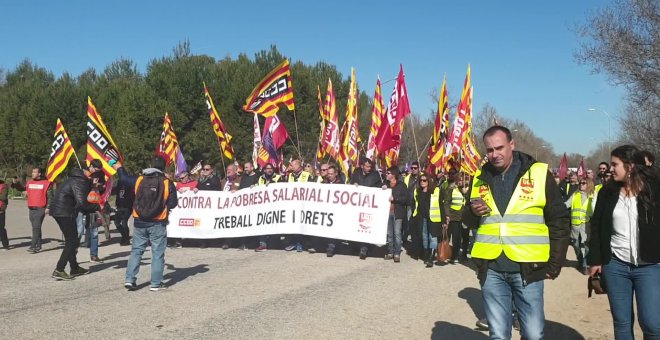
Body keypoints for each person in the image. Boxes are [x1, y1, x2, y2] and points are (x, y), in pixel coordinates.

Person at [463, 126, 570, 339]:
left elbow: (559, 220)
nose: (495, 154)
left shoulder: (538, 173)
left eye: (500, 148)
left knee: (532, 334)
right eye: (490, 150)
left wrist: (555, 263)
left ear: (512, 144)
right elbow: (468, 220)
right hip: (491, 268)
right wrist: (473, 212)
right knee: (498, 335)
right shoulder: (479, 177)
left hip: (528, 268)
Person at [588, 145, 660, 339]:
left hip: (650, 266)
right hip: (615, 265)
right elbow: (595, 226)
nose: (611, 169)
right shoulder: (607, 192)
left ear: (629, 166)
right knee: (622, 323)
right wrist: (595, 259)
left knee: (653, 324)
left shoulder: (653, 189)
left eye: (615, 164)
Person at [114, 156, 177, 291]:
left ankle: (130, 279)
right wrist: (164, 206)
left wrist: (118, 167)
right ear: (163, 168)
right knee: (157, 253)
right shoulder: (167, 183)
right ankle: (156, 283)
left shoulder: (139, 179)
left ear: (150, 165)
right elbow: (173, 203)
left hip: (139, 221)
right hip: (158, 222)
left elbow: (124, 179)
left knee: (136, 251)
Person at [48, 168, 100, 280]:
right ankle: (59, 269)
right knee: (71, 241)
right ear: (85, 173)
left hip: (61, 211)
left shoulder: (74, 179)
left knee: (73, 240)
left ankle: (74, 268)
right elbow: (82, 203)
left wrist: (90, 185)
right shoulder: (79, 182)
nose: (92, 177)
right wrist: (95, 207)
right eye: (91, 175)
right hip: (64, 212)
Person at [349, 157, 383, 259]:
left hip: (369, 206)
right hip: (357, 204)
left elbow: (380, 185)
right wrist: (353, 184)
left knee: (365, 226)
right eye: (367, 166)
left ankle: (364, 248)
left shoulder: (375, 174)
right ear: (362, 166)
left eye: (370, 166)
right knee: (355, 226)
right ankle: (355, 246)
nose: (369, 168)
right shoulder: (356, 173)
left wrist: (383, 187)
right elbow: (351, 184)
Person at [411, 173, 444, 267]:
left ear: (428, 181)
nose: (422, 182)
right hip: (421, 218)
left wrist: (444, 220)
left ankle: (431, 256)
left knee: (432, 237)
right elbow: (414, 203)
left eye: (424, 180)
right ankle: (426, 253)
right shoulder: (417, 191)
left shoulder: (436, 191)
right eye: (421, 180)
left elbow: (441, 206)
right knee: (424, 236)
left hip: (434, 218)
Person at [284, 159, 315, 253]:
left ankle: (305, 244)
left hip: (304, 204)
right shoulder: (290, 176)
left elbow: (313, 189)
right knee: (293, 224)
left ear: (298, 165)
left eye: (292, 165)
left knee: (304, 224)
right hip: (293, 204)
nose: (291, 166)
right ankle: (294, 242)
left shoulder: (307, 175)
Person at [565, 177, 595, 274]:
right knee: (575, 244)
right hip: (575, 225)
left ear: (589, 184)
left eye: (584, 183)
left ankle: (585, 266)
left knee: (585, 245)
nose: (581, 185)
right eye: (580, 183)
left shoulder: (592, 196)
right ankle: (580, 260)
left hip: (586, 225)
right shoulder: (575, 194)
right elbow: (567, 204)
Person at [254, 163, 282, 252]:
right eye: (267, 168)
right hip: (263, 206)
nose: (269, 170)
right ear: (264, 170)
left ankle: (275, 243)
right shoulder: (260, 178)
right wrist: (253, 187)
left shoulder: (278, 177)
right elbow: (257, 187)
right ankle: (262, 244)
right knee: (262, 223)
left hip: (275, 206)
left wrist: (272, 184)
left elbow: (283, 188)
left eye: (271, 168)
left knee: (275, 224)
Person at [383, 166, 408, 263]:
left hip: (398, 213)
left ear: (393, 175)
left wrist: (395, 199)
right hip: (387, 213)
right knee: (389, 233)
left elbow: (406, 199)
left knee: (397, 233)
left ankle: (397, 253)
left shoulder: (401, 185)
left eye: (388, 173)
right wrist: (383, 188)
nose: (386, 174)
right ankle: (390, 252)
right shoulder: (385, 184)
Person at [25, 167, 52, 253]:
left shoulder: (46, 183)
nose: (32, 173)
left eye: (34, 172)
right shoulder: (29, 182)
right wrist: (16, 184)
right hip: (31, 208)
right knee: (36, 227)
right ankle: (38, 245)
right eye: (32, 172)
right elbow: (24, 189)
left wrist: (48, 207)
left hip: (40, 208)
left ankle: (33, 246)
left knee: (36, 228)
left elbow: (50, 197)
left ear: (39, 174)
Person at [444, 174, 470, 263]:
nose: (460, 181)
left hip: (465, 217)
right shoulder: (451, 189)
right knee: (456, 237)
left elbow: (471, 202)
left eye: (462, 180)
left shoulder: (468, 189)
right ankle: (454, 255)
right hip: (454, 216)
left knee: (465, 237)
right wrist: (447, 214)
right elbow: (447, 202)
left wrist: (466, 194)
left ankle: (464, 254)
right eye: (459, 179)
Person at [195, 162, 221, 248]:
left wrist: (209, 179)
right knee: (203, 223)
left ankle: (213, 241)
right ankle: (203, 242)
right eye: (204, 169)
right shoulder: (201, 179)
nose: (205, 171)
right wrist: (195, 189)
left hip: (212, 206)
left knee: (211, 223)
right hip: (202, 207)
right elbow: (198, 187)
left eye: (207, 169)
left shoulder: (215, 179)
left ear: (211, 170)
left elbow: (218, 190)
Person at [323, 164, 344, 257]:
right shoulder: (324, 183)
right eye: (328, 174)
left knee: (333, 230)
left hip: (336, 211)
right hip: (326, 210)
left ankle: (331, 247)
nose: (329, 175)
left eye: (331, 174)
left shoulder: (341, 184)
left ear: (336, 174)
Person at [220, 164, 242, 249]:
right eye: (227, 169)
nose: (228, 171)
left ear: (235, 170)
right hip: (224, 206)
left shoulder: (240, 179)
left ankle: (239, 241)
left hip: (236, 205)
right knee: (226, 223)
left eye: (230, 170)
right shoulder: (223, 180)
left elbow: (244, 190)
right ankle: (227, 241)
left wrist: (237, 191)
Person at [114, 168, 136, 246]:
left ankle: (125, 239)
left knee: (124, 221)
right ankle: (125, 236)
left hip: (127, 205)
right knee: (117, 222)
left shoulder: (130, 183)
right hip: (120, 205)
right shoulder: (120, 182)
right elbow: (117, 192)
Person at [0, 179, 9, 250]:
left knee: (1, 229)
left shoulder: (4, 187)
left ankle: (5, 244)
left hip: (1, 210)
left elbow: (3, 197)